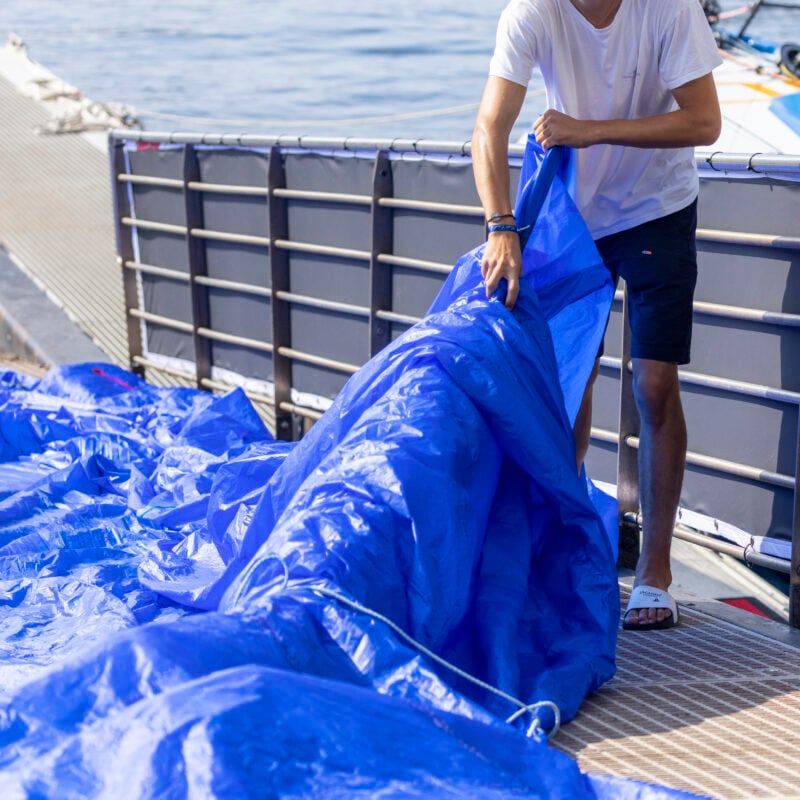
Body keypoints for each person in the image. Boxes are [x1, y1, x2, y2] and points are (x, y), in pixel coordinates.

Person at [471, 0, 722, 630]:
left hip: (657, 209)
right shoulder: (532, 12)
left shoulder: (667, 9)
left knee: (654, 383)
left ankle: (655, 573)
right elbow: (489, 127)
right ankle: (571, 546)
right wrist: (501, 227)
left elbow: (706, 121)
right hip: (572, 210)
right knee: (570, 378)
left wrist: (591, 128)